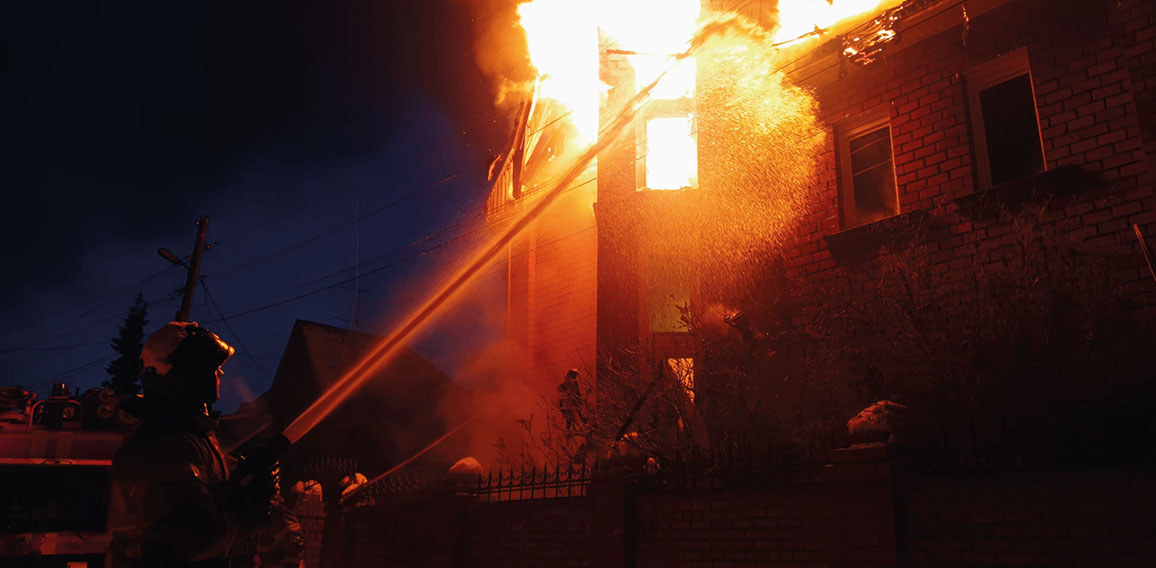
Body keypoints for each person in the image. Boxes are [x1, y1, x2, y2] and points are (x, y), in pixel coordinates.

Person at [107, 322, 295, 567]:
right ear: (188, 376)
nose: (221, 374)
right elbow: (193, 538)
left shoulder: (186, 433)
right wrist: (253, 505)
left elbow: (206, 496)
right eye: (214, 368)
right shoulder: (166, 444)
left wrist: (243, 476)